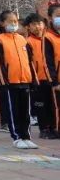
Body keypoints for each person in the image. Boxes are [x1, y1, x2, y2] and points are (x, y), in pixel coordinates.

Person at [0, 10, 38, 149]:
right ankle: (17, 137)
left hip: (25, 80)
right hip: (10, 82)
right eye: (10, 21)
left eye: (15, 21)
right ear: (2, 23)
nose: (13, 24)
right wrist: (3, 81)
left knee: (25, 111)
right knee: (13, 111)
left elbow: (29, 61)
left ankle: (26, 136)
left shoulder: (22, 39)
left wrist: (33, 79)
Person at [23, 13, 54, 141]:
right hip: (38, 79)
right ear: (28, 27)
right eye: (34, 24)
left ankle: (53, 127)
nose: (37, 27)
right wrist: (33, 79)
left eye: (39, 23)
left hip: (51, 78)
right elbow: (29, 63)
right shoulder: (28, 42)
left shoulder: (49, 39)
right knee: (41, 105)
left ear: (44, 24)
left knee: (52, 105)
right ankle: (44, 128)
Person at [42, 4, 60, 140]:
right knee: (57, 107)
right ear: (50, 18)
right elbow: (47, 62)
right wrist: (54, 82)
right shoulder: (48, 37)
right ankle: (56, 129)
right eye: (58, 16)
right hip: (57, 80)